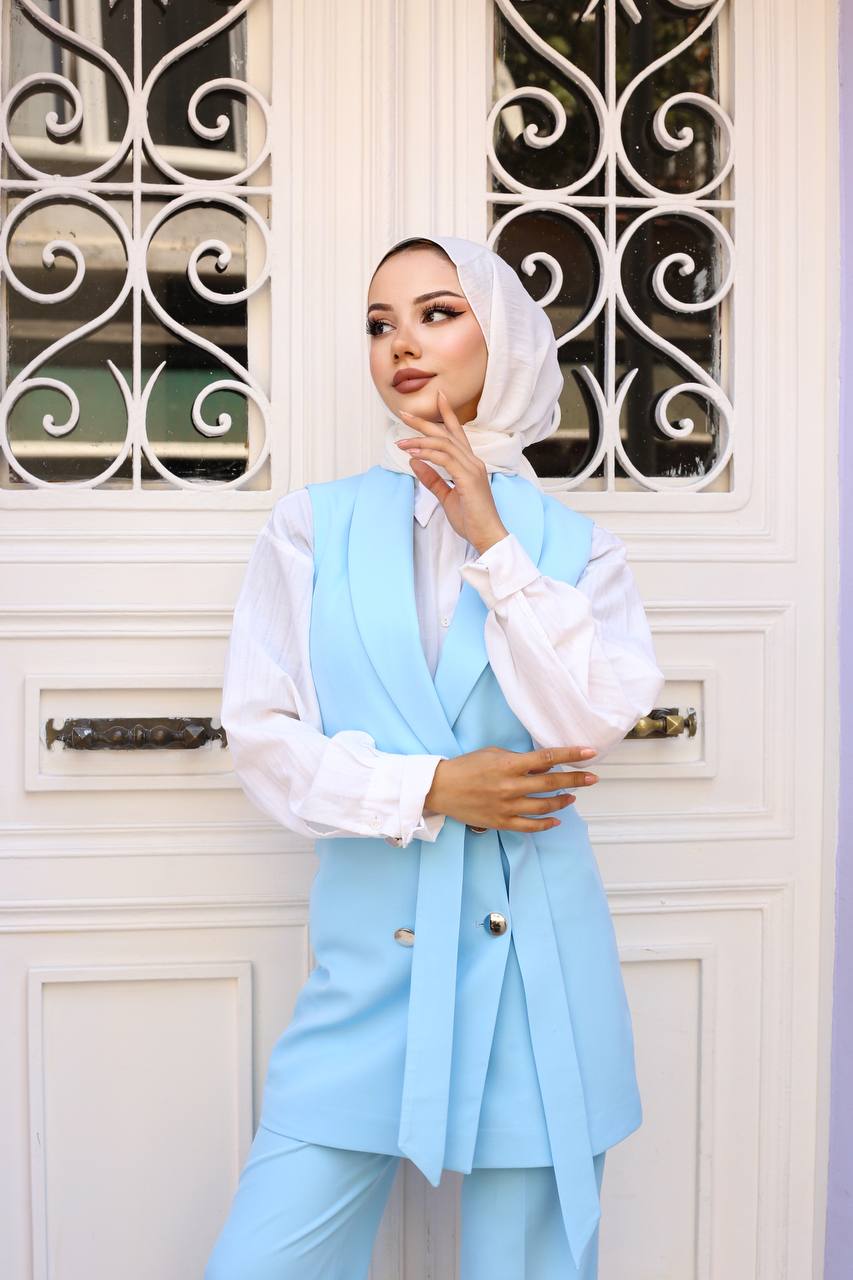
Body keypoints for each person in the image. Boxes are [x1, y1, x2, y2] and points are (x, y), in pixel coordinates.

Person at [204, 234, 666, 1280]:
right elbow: (264, 734)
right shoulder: (308, 527)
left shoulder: (574, 548)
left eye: (436, 312)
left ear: (498, 335)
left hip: (537, 973)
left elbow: (586, 718)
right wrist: (431, 787)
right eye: (380, 322)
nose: (401, 343)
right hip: (369, 973)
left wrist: (491, 537)